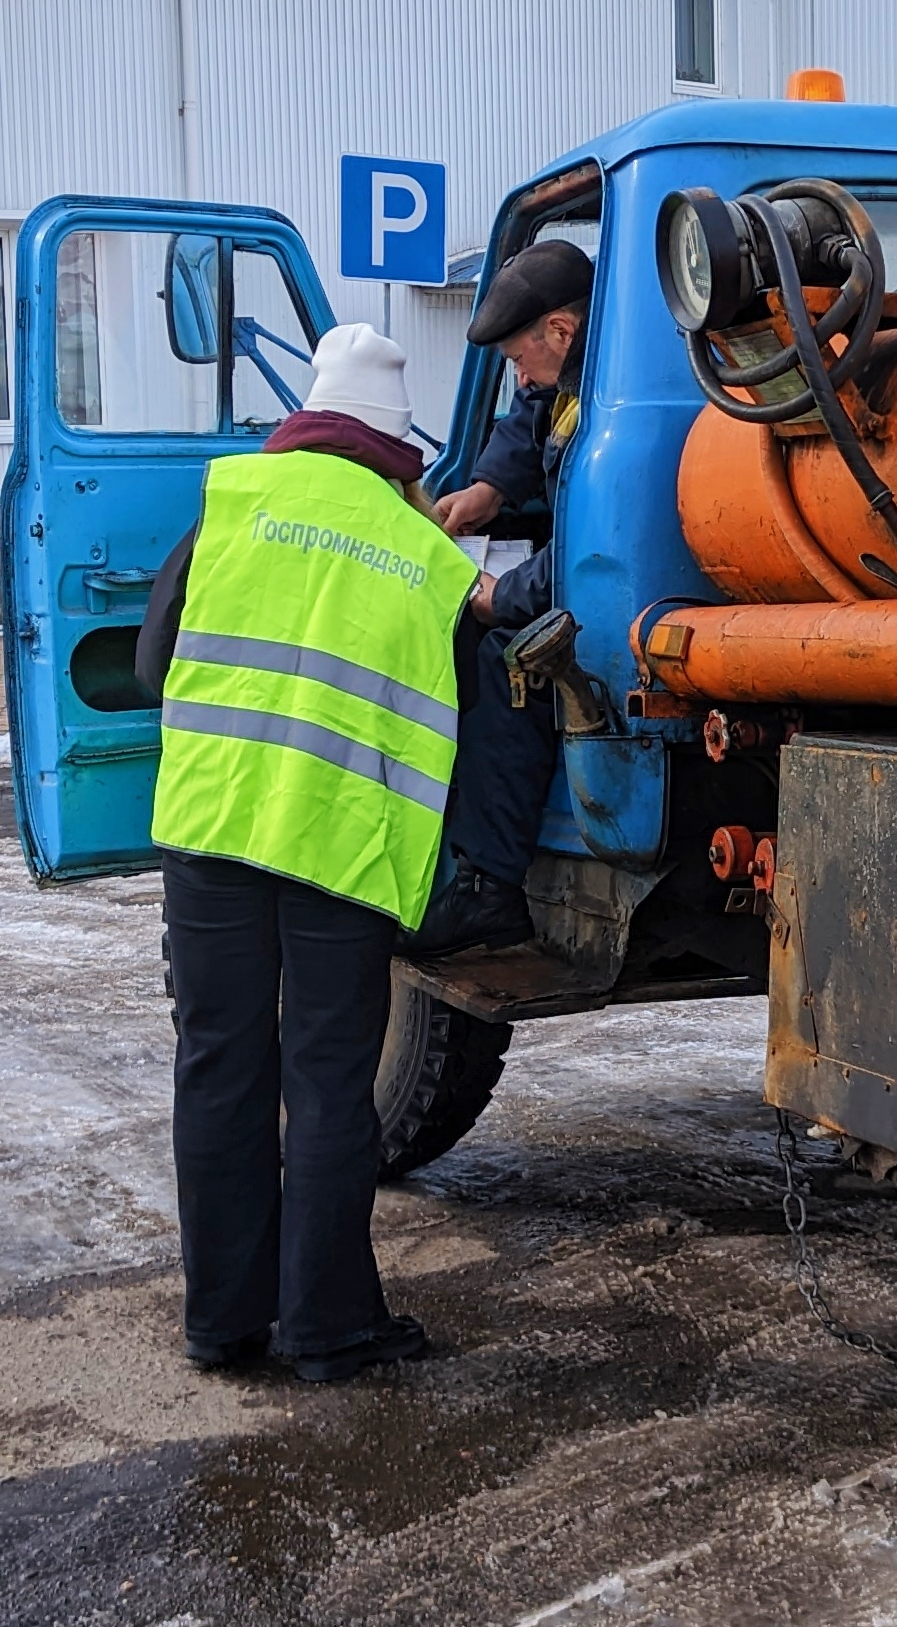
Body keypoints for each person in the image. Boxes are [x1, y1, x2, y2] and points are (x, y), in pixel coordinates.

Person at [132, 324, 476, 1383]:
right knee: (326, 1083)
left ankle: (222, 1326)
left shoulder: (233, 504)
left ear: (306, 423)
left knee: (219, 1066)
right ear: (394, 444)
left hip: (214, 828)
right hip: (340, 847)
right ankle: (328, 1329)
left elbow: (152, 667)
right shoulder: (425, 554)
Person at [411, 238, 590, 957]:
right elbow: (534, 415)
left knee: (501, 658)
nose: (518, 373)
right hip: (567, 571)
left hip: (596, 602)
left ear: (561, 331)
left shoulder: (618, 401)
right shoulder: (579, 374)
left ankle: (490, 886)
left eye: (519, 355)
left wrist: (501, 594)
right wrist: (487, 489)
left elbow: (596, 549)